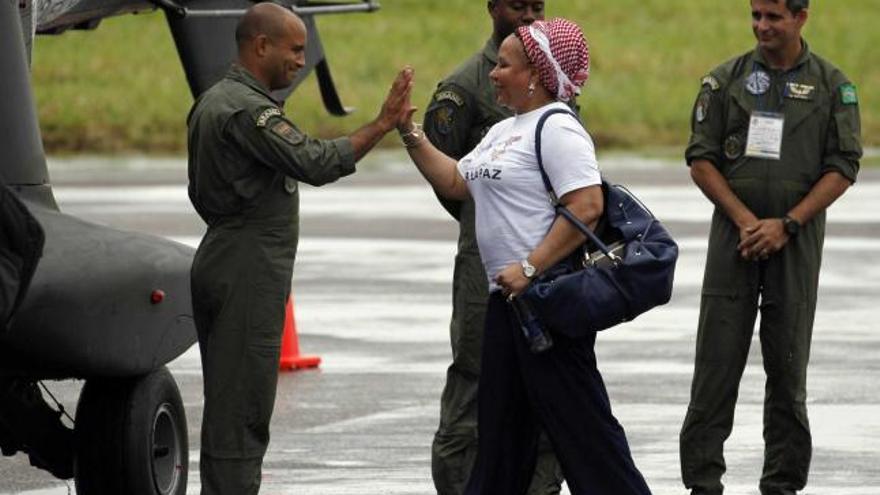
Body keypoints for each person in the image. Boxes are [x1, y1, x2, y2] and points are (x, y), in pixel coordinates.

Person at [399, 18, 652, 495]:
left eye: (504, 64)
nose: (493, 73)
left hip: (547, 303)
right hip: (507, 302)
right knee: (501, 437)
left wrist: (532, 266)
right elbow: (457, 181)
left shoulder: (558, 128)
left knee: (586, 436)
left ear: (535, 73)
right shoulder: (505, 130)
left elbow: (588, 204)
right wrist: (408, 133)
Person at [186, 4, 411, 494]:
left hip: (225, 256)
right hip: (245, 268)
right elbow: (314, 161)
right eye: (294, 49)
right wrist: (382, 123)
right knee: (241, 410)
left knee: (232, 403)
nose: (299, 61)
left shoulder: (215, 100)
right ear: (260, 45)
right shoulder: (248, 110)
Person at [679, 1, 862, 494]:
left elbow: (843, 164)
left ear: (801, 17)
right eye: (756, 15)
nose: (762, 26)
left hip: (795, 244)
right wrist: (744, 220)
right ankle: (702, 482)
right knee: (715, 365)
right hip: (733, 241)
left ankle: (781, 483)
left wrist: (787, 224)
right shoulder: (724, 81)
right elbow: (701, 157)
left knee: (787, 369)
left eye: (773, 17)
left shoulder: (832, 86)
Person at [422, 1, 564, 493]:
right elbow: (450, 180)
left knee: (548, 372)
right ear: (492, 7)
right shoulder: (465, 86)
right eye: (516, 4)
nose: (528, 13)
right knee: (476, 372)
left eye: (536, 5)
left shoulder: (555, 73)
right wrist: (487, 221)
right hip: (484, 256)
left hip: (549, 252)